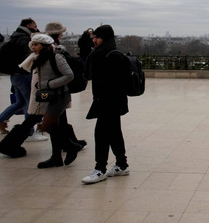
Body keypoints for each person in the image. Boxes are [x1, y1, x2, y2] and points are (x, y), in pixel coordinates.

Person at [12, 33, 81, 168]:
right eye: (32, 44)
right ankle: (56, 157)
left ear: (45, 46)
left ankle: (71, 147)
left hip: (59, 96)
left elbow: (69, 75)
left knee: (47, 126)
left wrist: (49, 84)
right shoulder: (37, 58)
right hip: (48, 96)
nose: (33, 47)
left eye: (36, 44)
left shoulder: (56, 57)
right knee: (55, 127)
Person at [0, 18, 47, 143]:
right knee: (30, 103)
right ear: (29, 25)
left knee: (20, 103)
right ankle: (29, 132)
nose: (36, 28)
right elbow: (30, 55)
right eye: (35, 26)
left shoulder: (16, 36)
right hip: (23, 74)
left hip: (16, 74)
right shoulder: (24, 38)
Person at [82, 24, 130, 184]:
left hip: (108, 101)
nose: (94, 40)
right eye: (93, 37)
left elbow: (112, 81)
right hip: (108, 101)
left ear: (105, 38)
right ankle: (122, 165)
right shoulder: (104, 53)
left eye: (97, 37)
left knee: (101, 134)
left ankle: (100, 168)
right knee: (114, 133)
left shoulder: (110, 55)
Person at [43, 22, 87, 150]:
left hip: (51, 85)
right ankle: (68, 144)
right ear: (59, 34)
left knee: (58, 116)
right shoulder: (55, 48)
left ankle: (67, 143)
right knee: (53, 118)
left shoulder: (48, 47)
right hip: (54, 86)